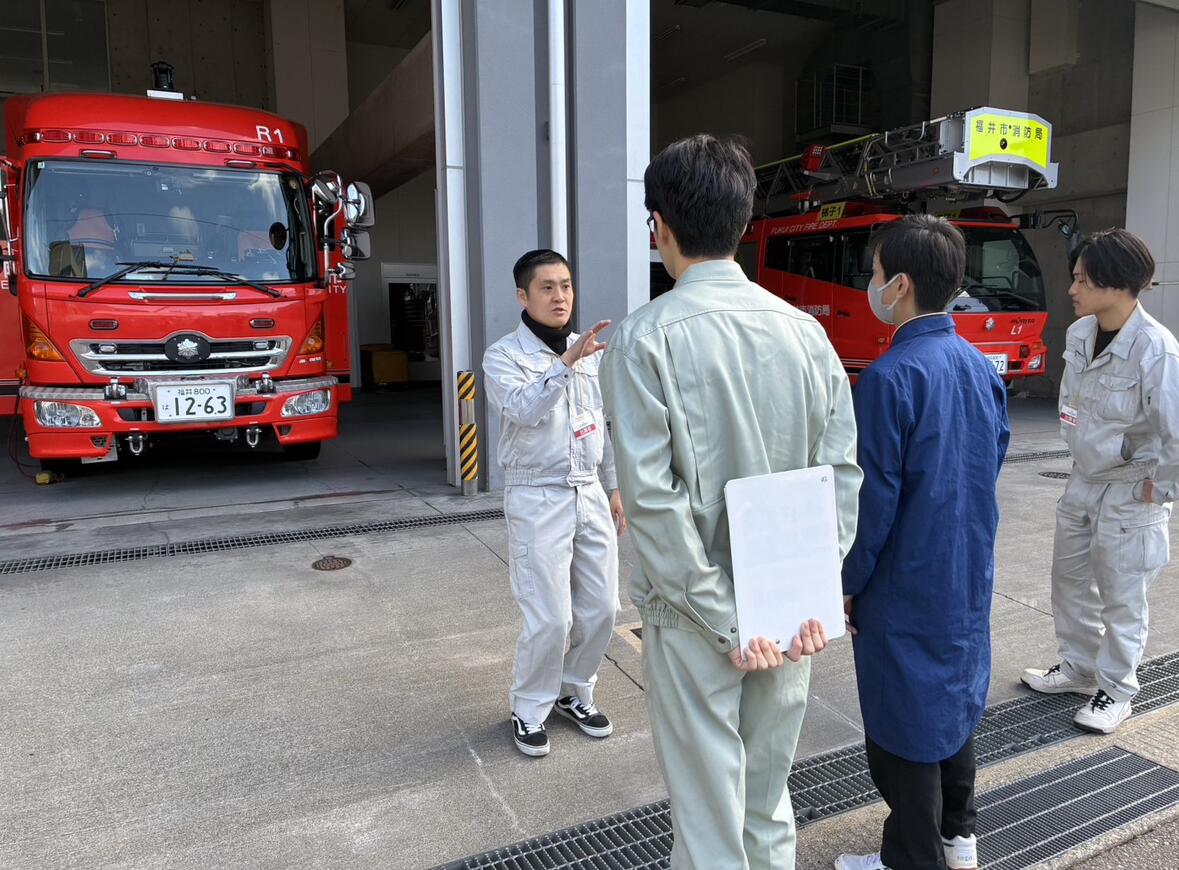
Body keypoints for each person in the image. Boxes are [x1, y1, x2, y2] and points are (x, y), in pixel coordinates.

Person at [600, 135, 861, 870]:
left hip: (692, 618)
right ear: (743, 222)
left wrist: (726, 618)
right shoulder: (806, 334)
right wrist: (804, 595)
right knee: (766, 801)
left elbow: (653, 504)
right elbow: (841, 476)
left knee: (709, 817)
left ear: (658, 226)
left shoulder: (642, 340)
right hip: (789, 614)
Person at [834, 215, 1010, 870]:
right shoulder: (978, 366)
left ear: (900, 285)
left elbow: (871, 503)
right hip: (965, 566)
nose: (872, 285)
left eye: (876, 273)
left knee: (902, 720)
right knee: (954, 702)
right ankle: (958, 836)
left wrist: (846, 583)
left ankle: (911, 857)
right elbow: (990, 460)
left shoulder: (889, 377)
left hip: (902, 579)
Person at [1022, 229, 1179, 734]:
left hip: (1132, 489)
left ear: (1117, 283)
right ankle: (1079, 667)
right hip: (1084, 479)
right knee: (1068, 582)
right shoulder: (1080, 334)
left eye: (1083, 280)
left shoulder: (1156, 349)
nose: (1073, 289)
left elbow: (1176, 430)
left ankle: (1117, 690)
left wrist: (1162, 488)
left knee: (1122, 594)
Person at [482, 249, 627, 758]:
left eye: (565, 285)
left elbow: (602, 423)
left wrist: (613, 486)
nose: (560, 296)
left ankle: (573, 691)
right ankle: (529, 707)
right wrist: (566, 363)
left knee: (603, 608)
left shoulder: (590, 353)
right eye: (547, 287)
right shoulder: (503, 356)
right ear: (523, 296)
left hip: (588, 489)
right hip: (536, 493)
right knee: (550, 617)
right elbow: (523, 409)